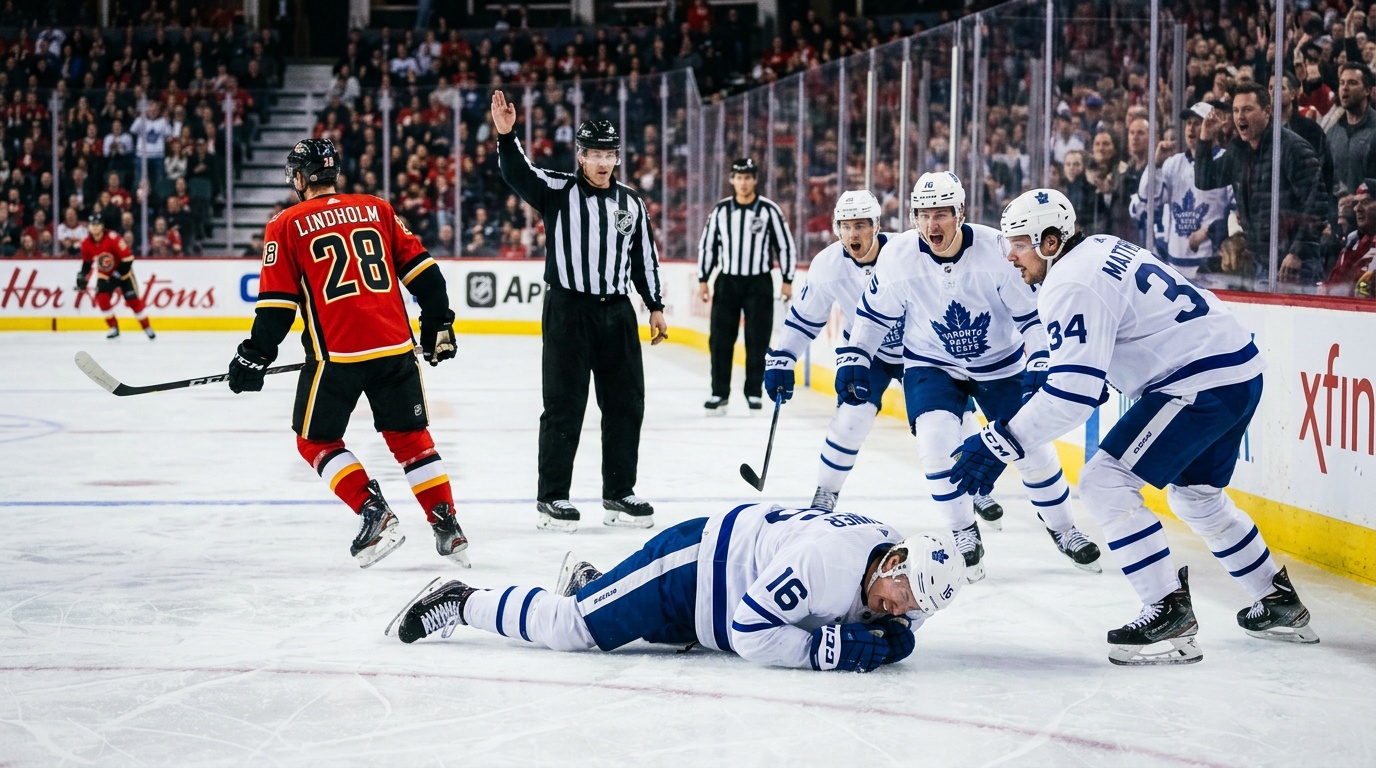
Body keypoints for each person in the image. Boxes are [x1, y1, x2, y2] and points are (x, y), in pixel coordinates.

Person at [951, 188, 1319, 666]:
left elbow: (1072, 396)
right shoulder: (1099, 247)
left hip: (1198, 382)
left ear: (1049, 241)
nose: (1009, 256)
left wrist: (1000, 442)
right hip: (1237, 371)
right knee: (1196, 497)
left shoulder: (1070, 282)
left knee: (1103, 482)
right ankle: (1276, 599)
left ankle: (1168, 612)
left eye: (1019, 244)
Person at [840, 172, 1099, 582]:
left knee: (1032, 450)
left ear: (960, 212)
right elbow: (873, 317)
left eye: (941, 213)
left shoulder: (999, 251)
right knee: (935, 445)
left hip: (1000, 364)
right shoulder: (898, 256)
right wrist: (855, 355)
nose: (931, 224)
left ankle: (1063, 529)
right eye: (923, 214)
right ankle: (963, 530)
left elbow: (1033, 318)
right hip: (930, 363)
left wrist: (1040, 357)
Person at [225, 139, 466, 569]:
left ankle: (374, 511)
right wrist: (438, 323)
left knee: (314, 441)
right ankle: (447, 525)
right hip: (395, 348)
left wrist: (254, 354)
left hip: (337, 356)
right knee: (410, 440)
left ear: (300, 178)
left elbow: (277, 306)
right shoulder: (377, 208)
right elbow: (426, 273)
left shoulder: (286, 224)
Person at [389, 502, 964, 674]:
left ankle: (595, 584)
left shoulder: (914, 575)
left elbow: (903, 622)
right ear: (895, 561)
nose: (900, 610)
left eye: (915, 607)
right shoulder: (826, 563)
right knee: (571, 630)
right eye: (902, 597)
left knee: (618, 620)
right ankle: (462, 601)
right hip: (693, 568)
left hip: (715, 608)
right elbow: (750, 631)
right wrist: (821, 653)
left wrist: (898, 635)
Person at [761, 190, 1004, 522]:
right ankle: (826, 491)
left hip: (921, 351)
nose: (853, 234)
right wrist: (784, 357)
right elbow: (805, 318)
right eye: (846, 226)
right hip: (866, 355)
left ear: (877, 226)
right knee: (851, 419)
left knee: (956, 419)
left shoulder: (904, 252)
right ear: (835, 229)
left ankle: (977, 488)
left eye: (861, 225)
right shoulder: (828, 265)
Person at [491, 91, 668, 533]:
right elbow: (518, 173)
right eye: (594, 154)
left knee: (626, 404)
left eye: (609, 154)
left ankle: (619, 492)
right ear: (580, 156)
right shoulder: (558, 190)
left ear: (617, 157)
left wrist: (655, 306)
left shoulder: (631, 203)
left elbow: (644, 259)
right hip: (569, 311)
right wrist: (507, 136)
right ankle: (552, 496)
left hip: (618, 313)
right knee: (564, 405)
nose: (602, 163)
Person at [1194, 82, 1327, 284]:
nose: (1240, 117)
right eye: (1236, 110)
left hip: (1295, 264)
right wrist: (1205, 139)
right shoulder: (1238, 150)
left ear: (1267, 111)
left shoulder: (1292, 148)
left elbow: (1317, 204)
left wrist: (1298, 252)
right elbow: (1205, 180)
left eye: (1247, 109)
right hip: (1261, 262)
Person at [698, 157, 797, 414]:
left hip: (758, 283)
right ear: (732, 179)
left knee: (757, 339)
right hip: (727, 282)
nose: (743, 183)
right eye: (739, 177)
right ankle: (719, 393)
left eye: (748, 178)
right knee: (720, 340)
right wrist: (703, 279)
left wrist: (787, 279)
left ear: (755, 180)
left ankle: (754, 392)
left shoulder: (769, 210)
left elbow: (785, 245)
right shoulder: (720, 211)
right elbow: (708, 246)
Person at [1131, 105, 1231, 279]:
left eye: (1198, 123)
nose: (1191, 128)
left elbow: (1235, 214)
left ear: (1212, 126)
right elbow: (1148, 199)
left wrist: (1211, 231)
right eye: (1188, 123)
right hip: (1175, 264)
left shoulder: (1225, 159)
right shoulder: (1173, 163)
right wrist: (1156, 165)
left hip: (1212, 263)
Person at [77, 215, 155, 340]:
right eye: (92, 225)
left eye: (97, 225)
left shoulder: (113, 238)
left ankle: (146, 327)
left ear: (102, 226)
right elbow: (87, 262)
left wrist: (117, 275)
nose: (95, 228)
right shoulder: (86, 243)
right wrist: (82, 275)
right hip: (104, 275)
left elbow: (128, 259)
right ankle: (113, 327)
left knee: (133, 302)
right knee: (102, 300)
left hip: (124, 274)